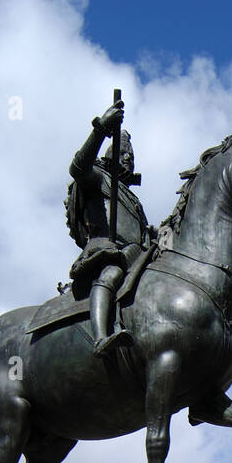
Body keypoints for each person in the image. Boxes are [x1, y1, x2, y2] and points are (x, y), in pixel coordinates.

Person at [65, 100, 152, 356]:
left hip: (137, 254)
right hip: (107, 252)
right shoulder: (97, 177)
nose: (129, 160)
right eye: (124, 154)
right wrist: (101, 130)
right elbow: (77, 168)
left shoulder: (131, 198)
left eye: (132, 157)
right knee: (112, 273)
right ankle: (101, 337)